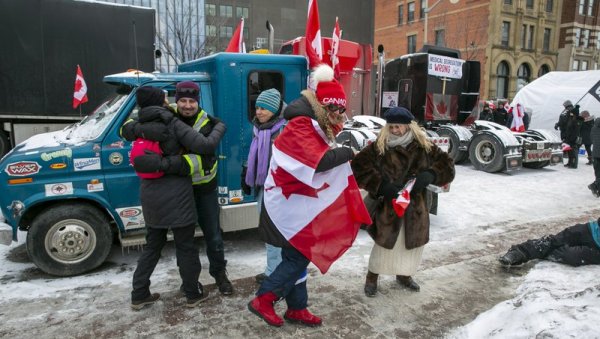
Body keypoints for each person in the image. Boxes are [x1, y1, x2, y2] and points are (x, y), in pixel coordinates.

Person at [247, 64, 370, 327]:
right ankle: (265, 299)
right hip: (284, 206)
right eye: (336, 109)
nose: (340, 115)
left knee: (299, 255)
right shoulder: (301, 125)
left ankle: (297, 308)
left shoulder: (314, 123)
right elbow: (319, 162)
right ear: (324, 106)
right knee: (298, 256)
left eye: (342, 110)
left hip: (297, 203)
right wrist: (349, 152)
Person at [123, 81, 233, 295]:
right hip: (179, 192)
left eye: (192, 101)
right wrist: (140, 129)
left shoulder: (207, 122)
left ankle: (220, 275)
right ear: (176, 100)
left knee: (213, 237)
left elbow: (207, 160)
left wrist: (173, 164)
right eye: (182, 100)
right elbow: (125, 127)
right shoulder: (165, 115)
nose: (187, 105)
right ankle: (189, 283)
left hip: (203, 189)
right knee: (186, 242)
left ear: (197, 102)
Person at [351, 106, 455, 297]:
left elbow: (447, 165)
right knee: (384, 245)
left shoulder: (424, 146)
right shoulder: (379, 147)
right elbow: (358, 167)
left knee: (410, 244)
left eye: (398, 127)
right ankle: (372, 277)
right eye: (391, 127)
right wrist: (381, 186)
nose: (394, 131)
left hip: (416, 207)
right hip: (389, 206)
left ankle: (404, 275)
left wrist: (431, 175)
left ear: (409, 127)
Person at [241, 88, 287, 284]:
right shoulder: (259, 129)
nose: (258, 112)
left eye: (264, 108)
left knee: (277, 231)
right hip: (263, 186)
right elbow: (256, 155)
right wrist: (246, 173)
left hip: (280, 190)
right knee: (269, 231)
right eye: (257, 107)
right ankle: (273, 269)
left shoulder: (285, 129)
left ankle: (278, 272)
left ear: (275, 110)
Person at [498, 218, 600, 267]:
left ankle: (545, 253)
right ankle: (520, 252)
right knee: (556, 240)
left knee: (571, 255)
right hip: (593, 229)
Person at [564, 103, 583, 169]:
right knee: (570, 151)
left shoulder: (577, 121)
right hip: (569, 138)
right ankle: (570, 163)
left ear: (574, 114)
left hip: (574, 139)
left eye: (572, 113)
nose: (570, 114)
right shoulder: (572, 119)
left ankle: (574, 164)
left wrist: (572, 138)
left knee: (574, 152)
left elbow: (576, 132)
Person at [588, 115, 600, 197]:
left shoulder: (593, 128)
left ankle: (597, 189)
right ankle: (594, 185)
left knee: (598, 174)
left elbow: (592, 139)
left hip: (595, 154)